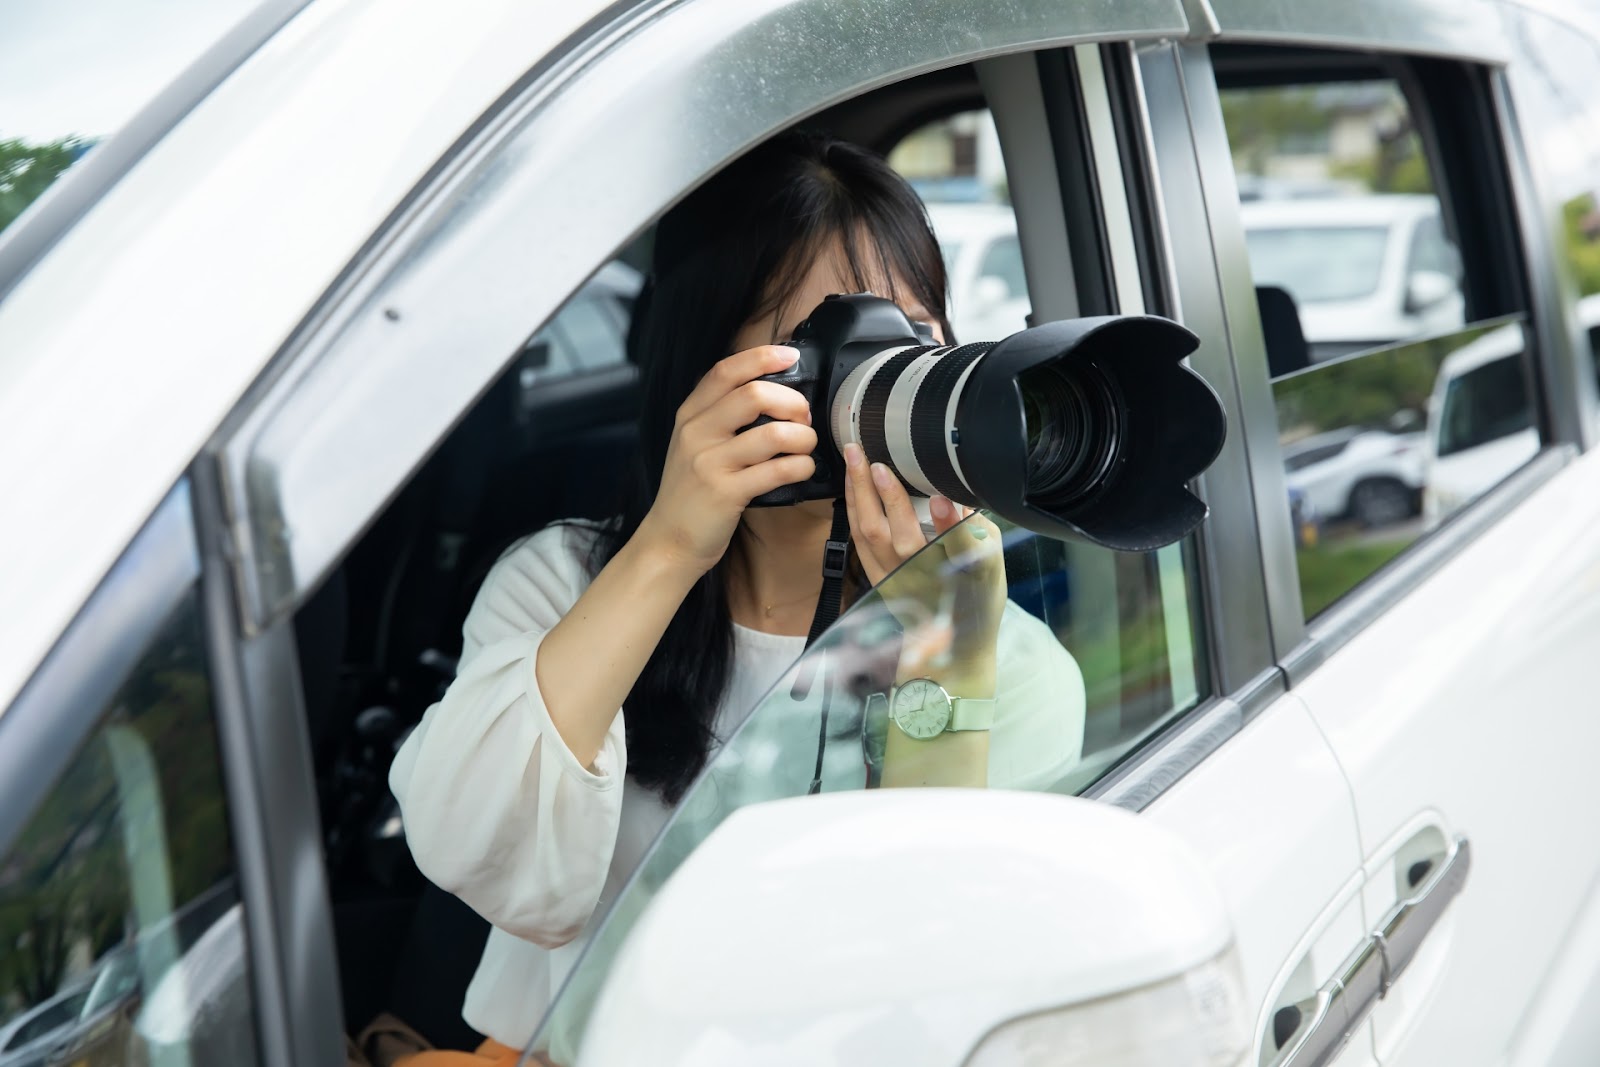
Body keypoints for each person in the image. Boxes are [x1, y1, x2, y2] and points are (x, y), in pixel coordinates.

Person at [387, 130, 1085, 1066]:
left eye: (909, 333)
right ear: (699, 366)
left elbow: (931, 990)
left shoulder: (1007, 662)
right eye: (823, 339)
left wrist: (938, 663)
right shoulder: (565, 585)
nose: (874, 372)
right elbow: (473, 849)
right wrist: (670, 543)